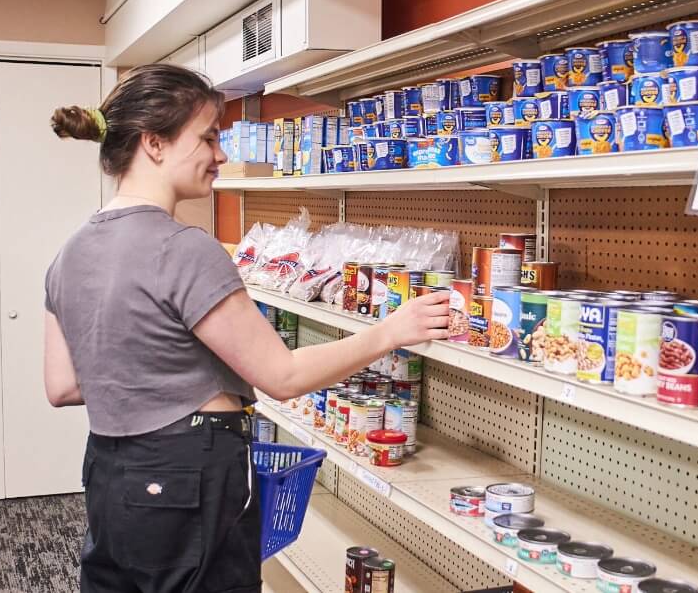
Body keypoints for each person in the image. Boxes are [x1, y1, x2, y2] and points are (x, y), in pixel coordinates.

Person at [44, 64, 450, 593]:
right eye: (208, 137)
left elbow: (64, 387)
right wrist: (391, 331)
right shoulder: (185, 248)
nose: (222, 154)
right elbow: (281, 376)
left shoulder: (69, 253)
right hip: (189, 475)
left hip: (107, 470)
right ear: (154, 144)